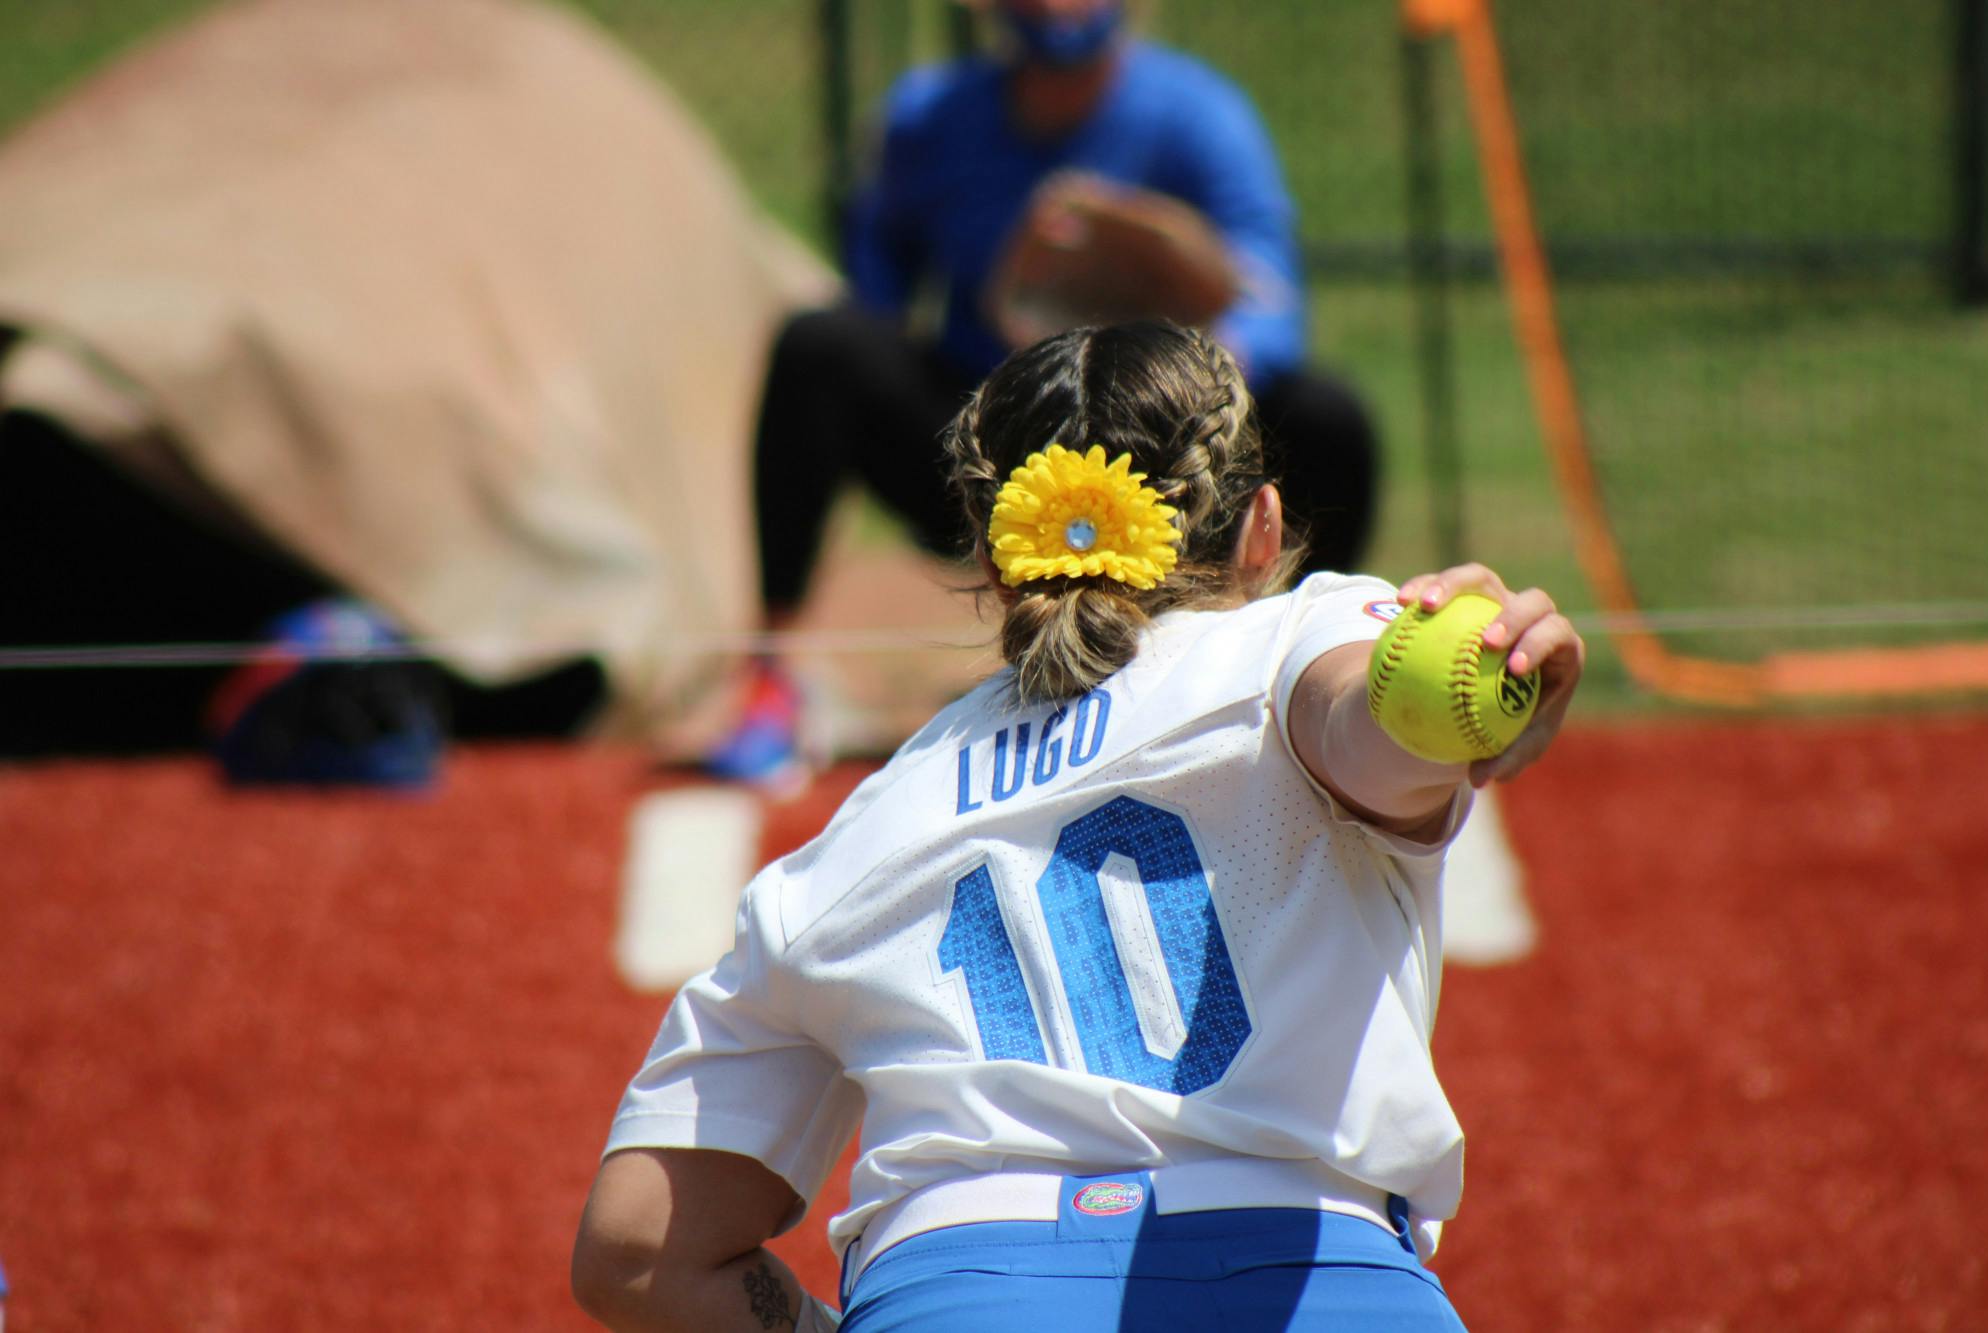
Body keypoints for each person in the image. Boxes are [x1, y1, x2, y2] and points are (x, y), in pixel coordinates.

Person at [573, 320, 1583, 1331]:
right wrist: (1478, 686)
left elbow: (635, 1252)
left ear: (989, 554)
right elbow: (1367, 730)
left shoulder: (856, 835)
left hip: (952, 1290)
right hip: (1316, 1280)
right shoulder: (1290, 644)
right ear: (1262, 527)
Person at [707, 0, 1381, 786]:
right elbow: (874, 292)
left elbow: (1272, 302)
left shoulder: (1203, 116)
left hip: (1170, 459)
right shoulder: (929, 117)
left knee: (1329, 420)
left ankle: (1295, 670)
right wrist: (1023, 321)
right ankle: (772, 683)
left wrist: (1168, 335)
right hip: (1000, 444)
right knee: (820, 346)